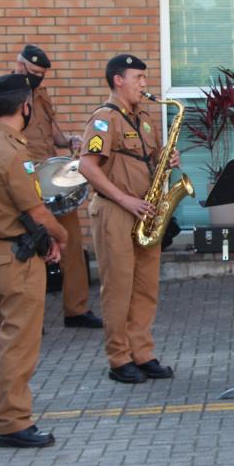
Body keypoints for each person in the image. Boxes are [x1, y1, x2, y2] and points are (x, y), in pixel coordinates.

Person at [0, 45, 103, 328]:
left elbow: (50, 130)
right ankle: (31, 315)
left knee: (71, 241)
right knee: (36, 245)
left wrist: (68, 141)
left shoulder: (40, 95)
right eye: (34, 73)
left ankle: (76, 309)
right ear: (19, 66)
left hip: (52, 183)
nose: (38, 79)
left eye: (42, 74)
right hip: (23, 183)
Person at [0, 73, 68, 447]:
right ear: (25, 107)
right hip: (15, 256)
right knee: (19, 340)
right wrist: (62, 236)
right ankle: (13, 421)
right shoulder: (12, 152)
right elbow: (36, 210)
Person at [78, 54, 178, 384]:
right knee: (119, 288)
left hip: (145, 212)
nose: (144, 84)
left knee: (145, 286)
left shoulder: (145, 119)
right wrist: (124, 199)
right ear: (118, 80)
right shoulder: (104, 120)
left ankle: (142, 352)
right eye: (138, 78)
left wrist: (168, 157)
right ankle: (119, 358)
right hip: (115, 212)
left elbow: (147, 158)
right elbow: (87, 166)